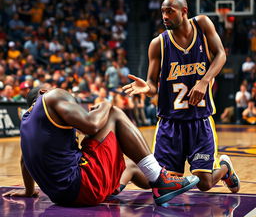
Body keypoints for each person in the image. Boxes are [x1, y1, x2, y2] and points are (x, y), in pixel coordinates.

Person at [3, 87, 199, 206]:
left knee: (130, 165)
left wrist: (29, 191)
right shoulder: (52, 96)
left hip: (62, 196)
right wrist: (105, 103)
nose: (66, 95)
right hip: (82, 187)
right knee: (113, 113)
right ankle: (160, 179)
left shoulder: (27, 120)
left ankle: (159, 182)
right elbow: (92, 124)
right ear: (44, 92)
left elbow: (23, 160)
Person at [123, 0, 240, 193]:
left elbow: (221, 54)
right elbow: (152, 83)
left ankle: (225, 168)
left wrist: (204, 81)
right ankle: (129, 172)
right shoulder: (158, 43)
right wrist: (147, 88)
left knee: (204, 183)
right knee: (163, 184)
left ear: (184, 11)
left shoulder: (202, 24)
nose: (165, 16)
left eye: (170, 11)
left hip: (199, 119)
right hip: (171, 122)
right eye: (162, 12)